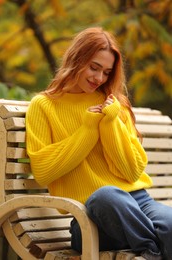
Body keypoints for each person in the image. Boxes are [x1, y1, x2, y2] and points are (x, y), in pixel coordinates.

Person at [26, 27, 172, 260]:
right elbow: (44, 172)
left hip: (139, 202)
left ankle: (149, 253)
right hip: (90, 218)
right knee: (105, 195)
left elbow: (132, 170)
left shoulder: (115, 105)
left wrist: (110, 123)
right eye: (94, 68)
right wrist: (88, 129)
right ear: (76, 59)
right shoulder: (43, 106)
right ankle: (154, 248)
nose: (99, 78)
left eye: (106, 72)